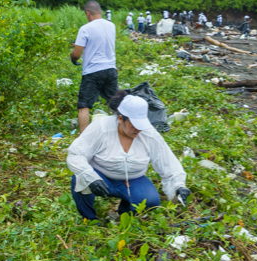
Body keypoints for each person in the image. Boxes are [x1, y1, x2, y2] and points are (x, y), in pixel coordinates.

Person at [67, 94, 190, 222]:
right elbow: (76, 154)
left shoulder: (149, 134)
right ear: (121, 119)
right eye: (134, 125)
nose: (138, 130)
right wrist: (90, 177)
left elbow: (168, 163)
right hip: (100, 175)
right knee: (80, 179)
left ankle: (125, 213)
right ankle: (89, 219)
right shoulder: (101, 127)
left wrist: (178, 186)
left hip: (132, 180)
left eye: (141, 125)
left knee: (151, 200)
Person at [70, 0, 118, 133]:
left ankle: (84, 139)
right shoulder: (111, 26)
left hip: (93, 71)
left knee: (84, 105)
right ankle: (120, 133)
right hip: (110, 69)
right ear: (100, 12)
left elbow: (77, 54)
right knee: (115, 104)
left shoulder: (85, 29)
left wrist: (72, 57)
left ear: (87, 13)